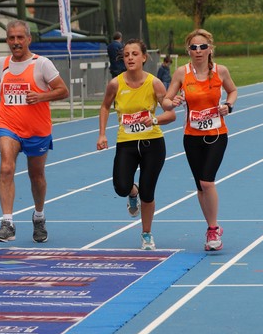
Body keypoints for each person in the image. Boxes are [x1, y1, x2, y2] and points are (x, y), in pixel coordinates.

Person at [0, 19, 69, 243]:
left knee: (36, 175)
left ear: (28, 39)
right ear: (7, 40)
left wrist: (41, 96)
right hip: (9, 126)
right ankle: (7, 223)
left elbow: (63, 90)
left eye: (20, 37)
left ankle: (39, 216)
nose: (16, 42)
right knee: (6, 167)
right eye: (11, 38)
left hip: (37, 129)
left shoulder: (42, 64)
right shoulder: (2, 63)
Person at [97, 39, 176, 250]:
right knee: (121, 186)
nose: (130, 58)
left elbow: (170, 112)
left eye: (134, 54)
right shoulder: (115, 83)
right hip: (127, 142)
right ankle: (133, 193)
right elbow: (104, 107)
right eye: (126, 54)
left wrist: (156, 118)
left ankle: (147, 234)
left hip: (153, 143)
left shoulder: (154, 83)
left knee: (148, 193)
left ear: (144, 57)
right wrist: (102, 134)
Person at [163, 28, 237, 251]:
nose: (198, 51)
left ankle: (213, 228)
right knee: (200, 186)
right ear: (188, 50)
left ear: (210, 49)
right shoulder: (181, 73)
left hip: (216, 134)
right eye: (194, 47)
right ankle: (210, 228)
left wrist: (228, 106)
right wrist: (172, 102)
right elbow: (165, 101)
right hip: (192, 136)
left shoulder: (220, 72)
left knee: (207, 181)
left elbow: (233, 91)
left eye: (203, 47)